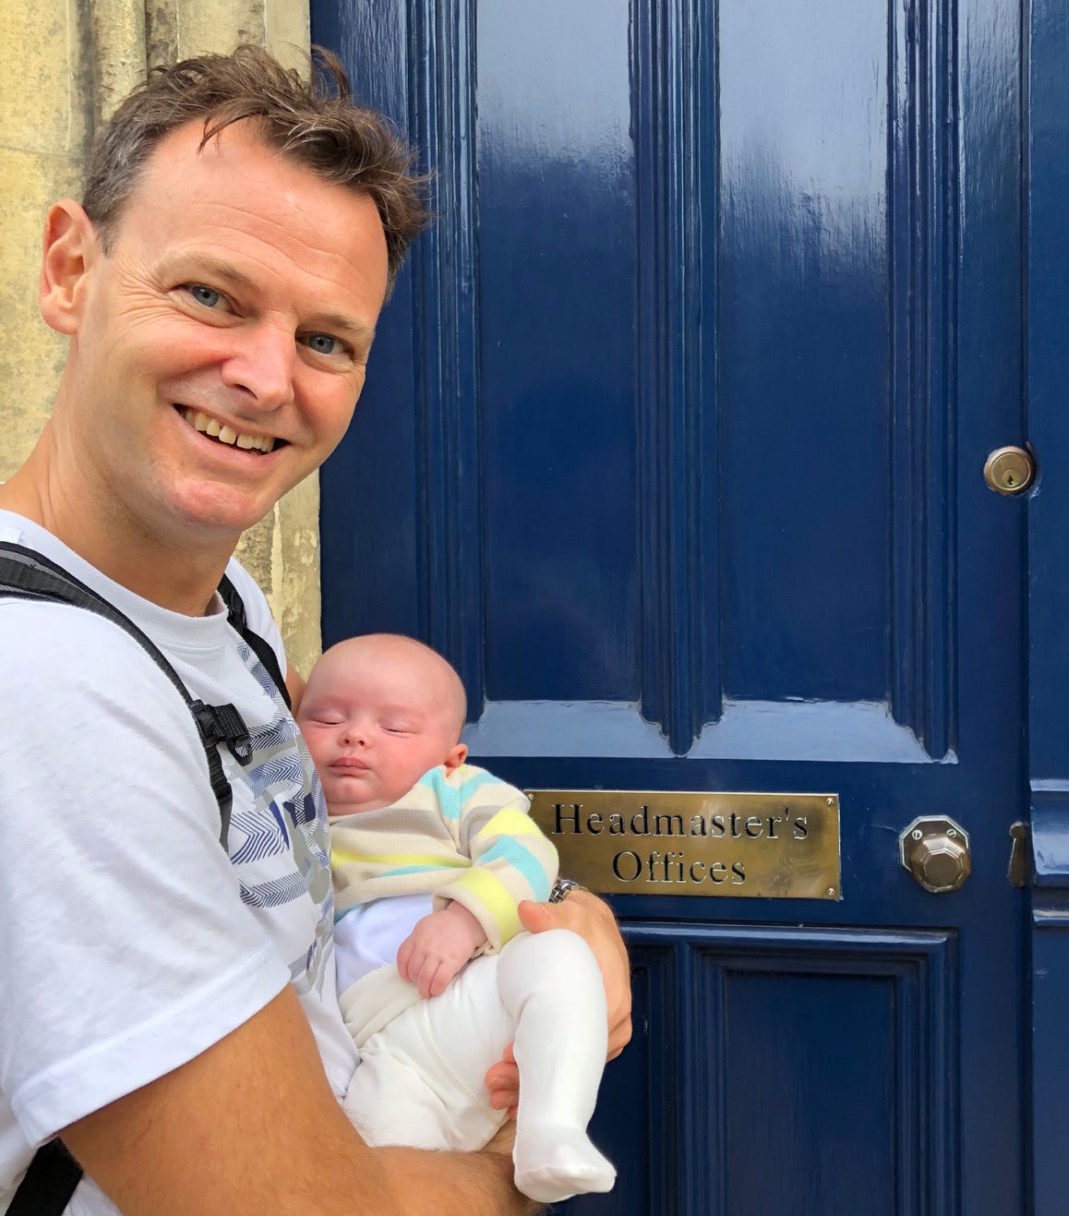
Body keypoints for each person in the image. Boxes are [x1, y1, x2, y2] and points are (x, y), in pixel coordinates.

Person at [0, 46, 631, 1215]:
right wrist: (505, 1180)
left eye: (327, 341)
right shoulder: (40, 691)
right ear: (69, 269)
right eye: (210, 295)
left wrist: (564, 916)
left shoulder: (224, 599)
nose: (262, 376)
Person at [295, 633, 616, 1204]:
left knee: (560, 959)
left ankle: (552, 1132)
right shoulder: (298, 817)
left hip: (477, 995)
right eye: (326, 718)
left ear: (451, 755)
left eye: (393, 728)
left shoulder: (453, 792)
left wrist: (465, 920)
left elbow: (527, 854)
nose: (355, 734)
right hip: (384, 1048)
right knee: (378, 1163)